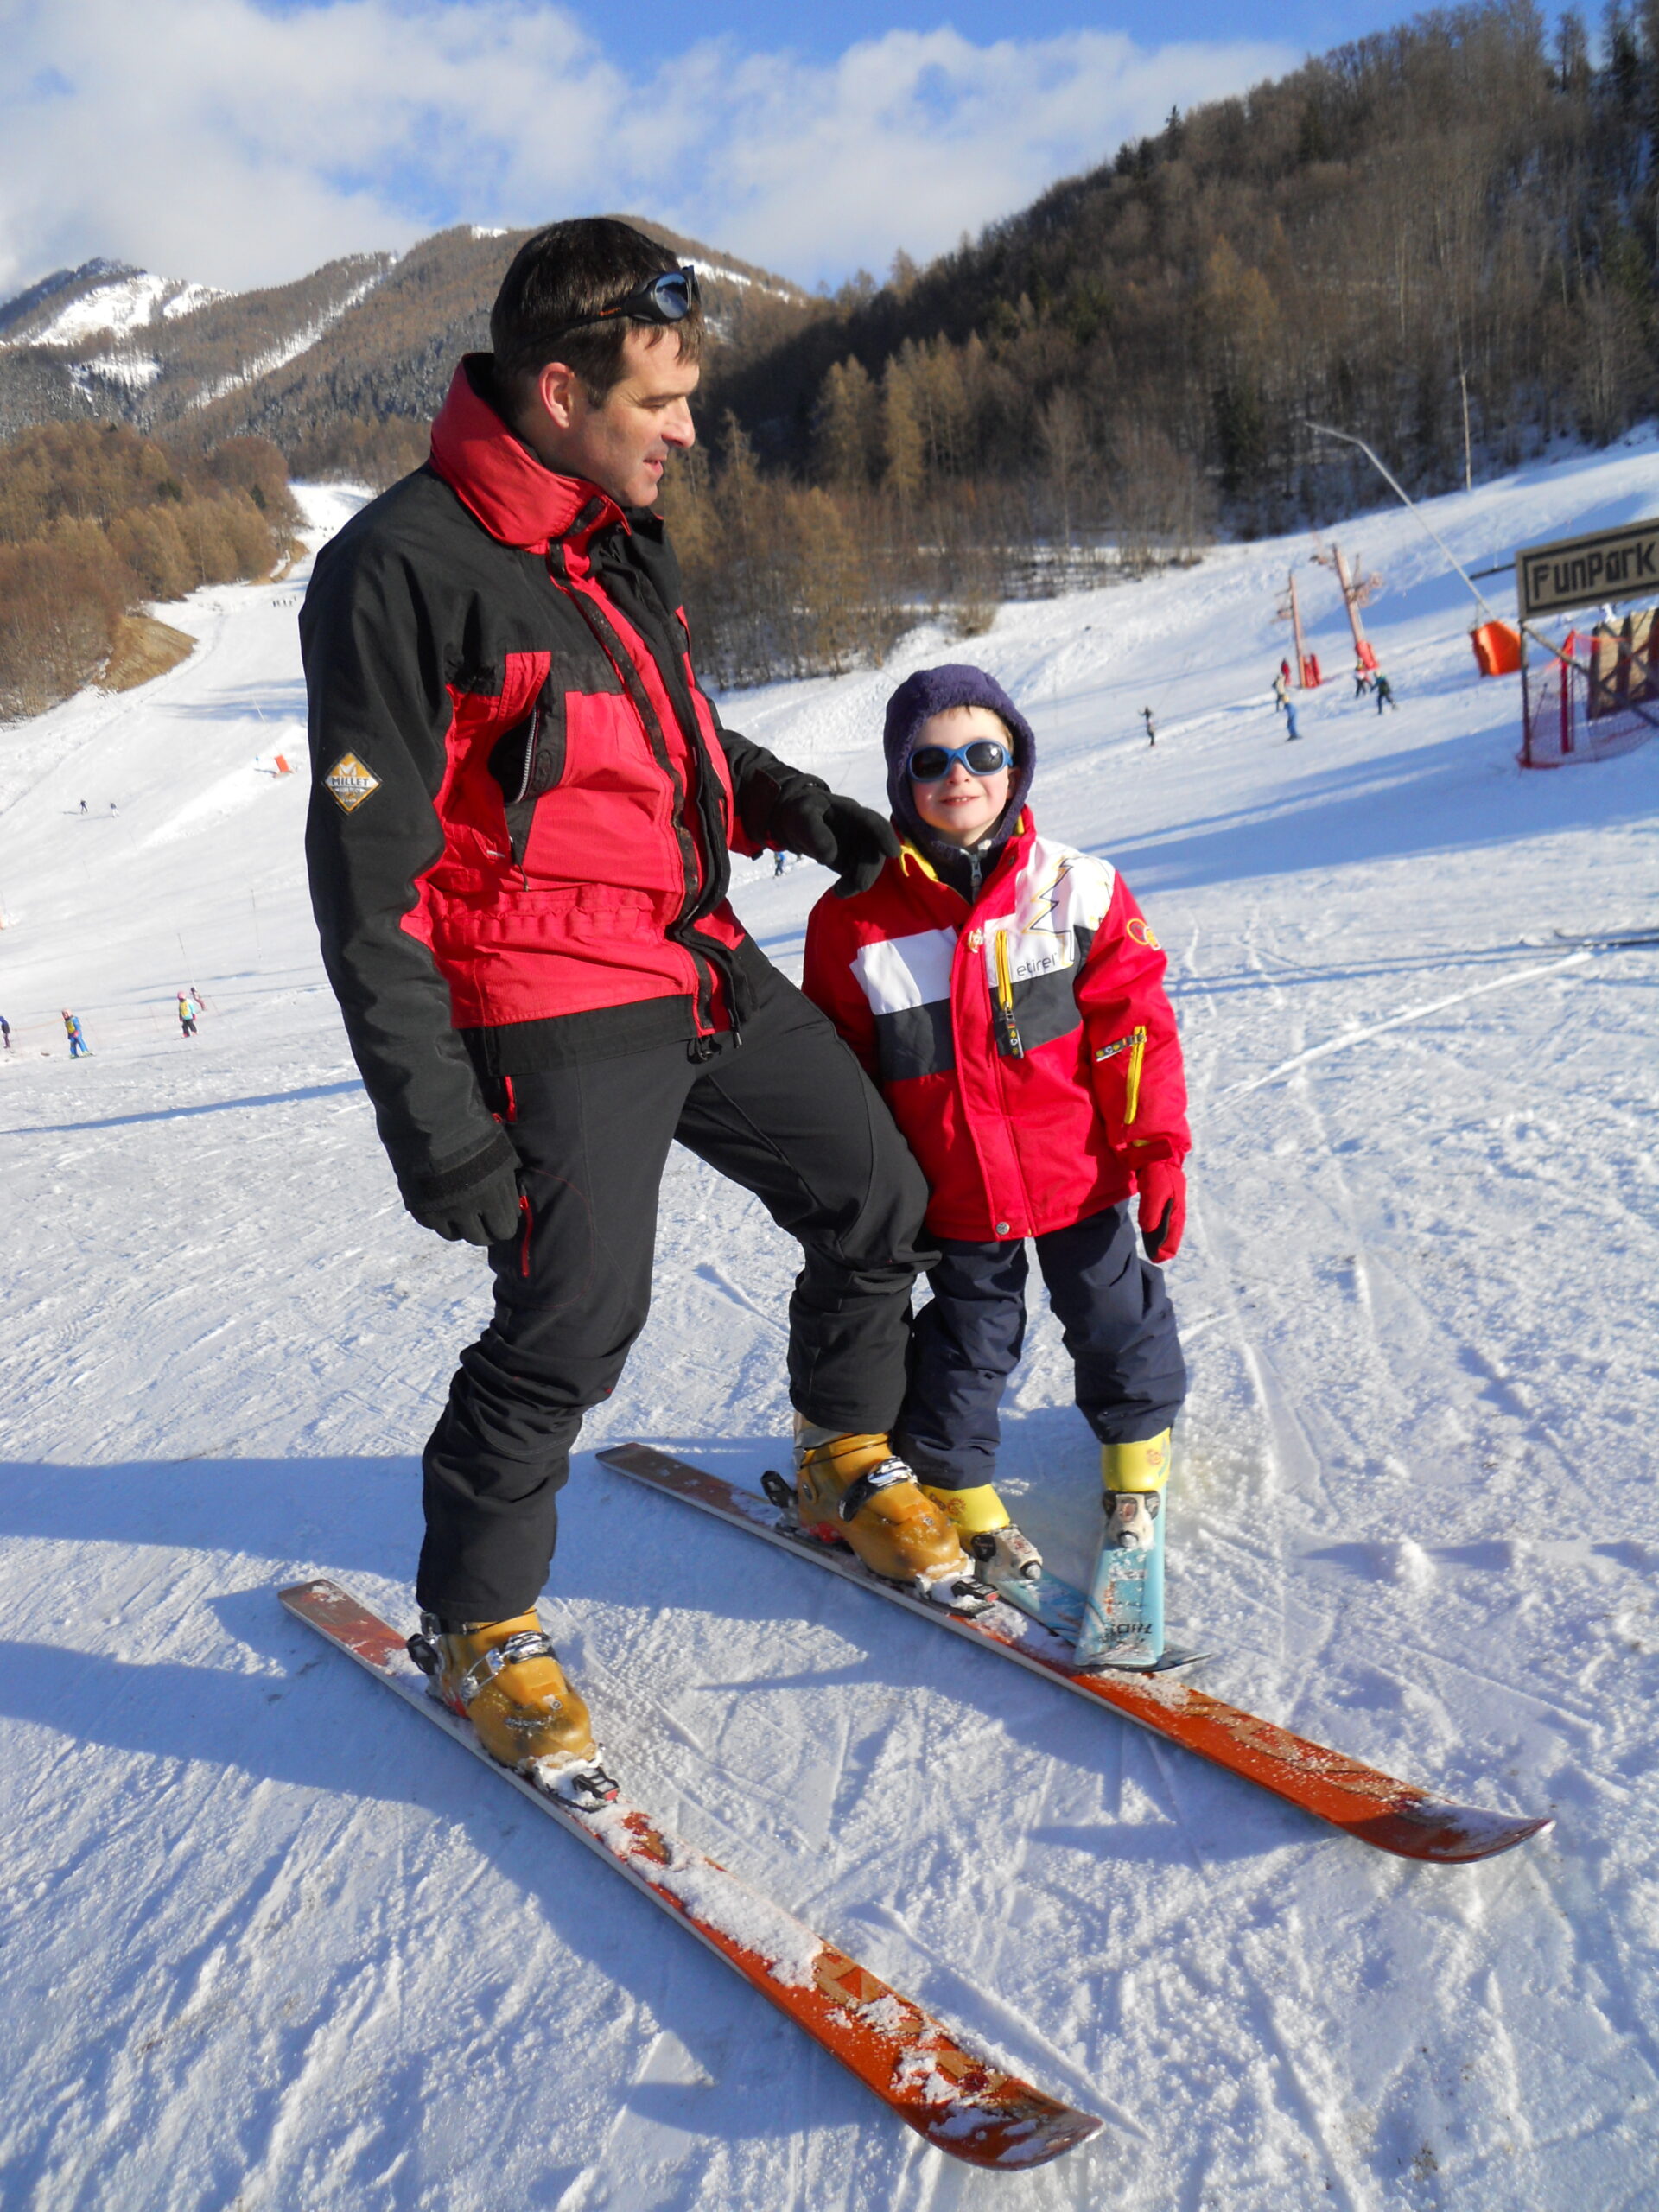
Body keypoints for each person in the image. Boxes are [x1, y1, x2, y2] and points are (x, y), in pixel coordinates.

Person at [301, 219, 987, 1797]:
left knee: (875, 1188)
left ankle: (842, 1453)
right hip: (542, 999)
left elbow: (666, 733)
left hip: (690, 955)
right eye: (661, 404)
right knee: (574, 1317)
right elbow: (367, 876)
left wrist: (802, 807)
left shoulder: (612, 534)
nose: (690, 432)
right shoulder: (398, 571)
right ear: (558, 389)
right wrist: (439, 1134)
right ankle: (478, 1623)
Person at [802, 666, 1189, 1587]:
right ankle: (959, 1490)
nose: (959, 775)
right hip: (956, 1193)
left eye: (984, 753)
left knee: (1114, 1314)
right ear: (901, 780)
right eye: (930, 759)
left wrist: (1157, 1151)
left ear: (1017, 762)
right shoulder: (856, 919)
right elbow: (839, 1075)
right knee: (969, 1343)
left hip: (1078, 1174)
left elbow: (1132, 1033)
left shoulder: (1075, 888)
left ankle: (1136, 1466)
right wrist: (871, 1189)